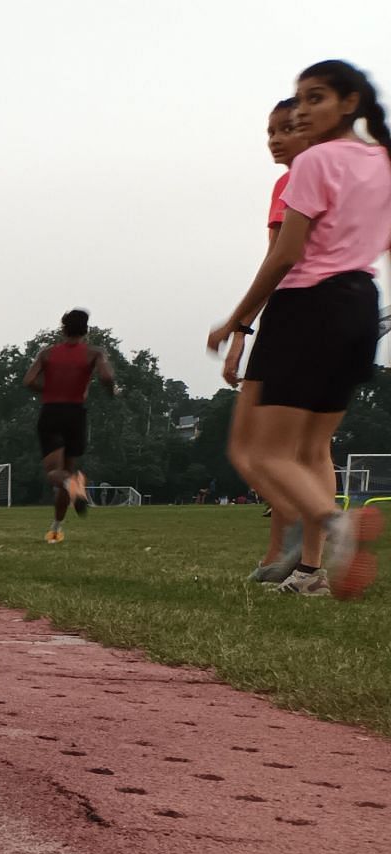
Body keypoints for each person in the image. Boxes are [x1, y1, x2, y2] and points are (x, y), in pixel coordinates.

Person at [212, 61, 390, 597]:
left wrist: (238, 319)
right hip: (360, 305)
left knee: (262, 453)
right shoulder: (382, 161)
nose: (304, 110)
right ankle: (310, 567)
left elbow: (286, 253)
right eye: (300, 100)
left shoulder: (314, 162)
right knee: (314, 451)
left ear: (349, 102)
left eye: (315, 98)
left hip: (306, 307)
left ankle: (333, 528)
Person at [225, 98, 314, 581]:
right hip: (319, 313)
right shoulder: (310, 182)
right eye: (270, 132)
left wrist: (239, 327)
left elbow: (279, 261)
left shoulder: (297, 182)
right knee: (303, 442)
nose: (275, 140)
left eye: (286, 129)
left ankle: (295, 547)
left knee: (271, 442)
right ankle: (290, 556)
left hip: (300, 313)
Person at [24, 309, 119, 544]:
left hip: (52, 413)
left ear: (63, 328)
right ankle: (56, 529)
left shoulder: (47, 354)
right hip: (76, 415)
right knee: (67, 469)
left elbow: (28, 381)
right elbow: (107, 377)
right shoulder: (94, 353)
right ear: (86, 330)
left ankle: (71, 485)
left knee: (56, 474)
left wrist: (47, 390)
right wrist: (112, 391)